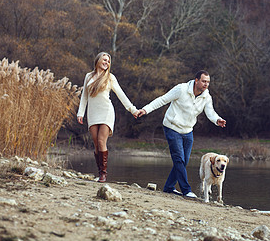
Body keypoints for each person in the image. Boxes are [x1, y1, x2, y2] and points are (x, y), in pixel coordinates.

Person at [137, 70, 226, 198]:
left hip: (188, 130)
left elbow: (210, 112)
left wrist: (217, 120)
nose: (206, 84)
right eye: (203, 81)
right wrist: (145, 109)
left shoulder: (206, 97)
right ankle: (186, 190)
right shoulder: (181, 89)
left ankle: (168, 187)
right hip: (172, 127)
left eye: (208, 82)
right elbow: (162, 100)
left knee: (183, 162)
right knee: (179, 159)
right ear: (196, 80)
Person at [77, 52, 139, 182]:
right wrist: (80, 113)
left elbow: (121, 95)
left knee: (101, 141)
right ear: (98, 60)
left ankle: (103, 174)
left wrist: (132, 109)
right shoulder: (88, 76)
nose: (106, 62)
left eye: (108, 61)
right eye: (104, 60)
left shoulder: (110, 77)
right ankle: (100, 172)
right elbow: (84, 96)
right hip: (93, 112)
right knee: (95, 143)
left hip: (106, 111)